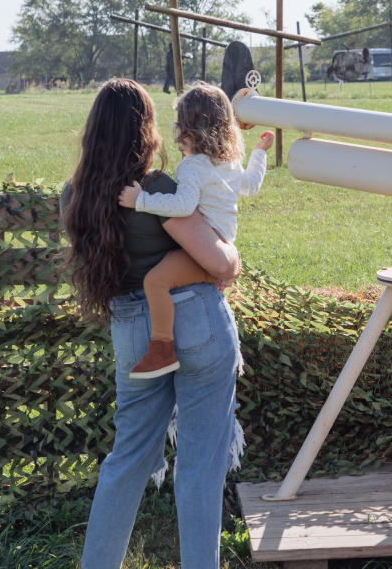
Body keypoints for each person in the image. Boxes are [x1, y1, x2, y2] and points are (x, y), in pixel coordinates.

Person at [61, 78, 243, 569]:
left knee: (127, 460)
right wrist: (232, 255)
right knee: (201, 464)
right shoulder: (157, 189)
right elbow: (221, 264)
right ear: (145, 131)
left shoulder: (72, 196)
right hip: (197, 322)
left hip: (131, 331)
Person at [117, 82, 273, 379]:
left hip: (204, 250)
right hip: (222, 243)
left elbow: (184, 205)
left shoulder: (192, 166)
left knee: (155, 281)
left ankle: (162, 349)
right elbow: (251, 186)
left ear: (186, 128)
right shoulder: (228, 162)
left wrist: (142, 201)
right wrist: (260, 153)